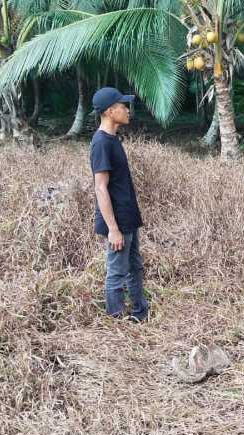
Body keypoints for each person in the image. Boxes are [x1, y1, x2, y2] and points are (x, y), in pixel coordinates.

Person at [89, 87, 149, 322]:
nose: (127, 110)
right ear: (110, 111)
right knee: (117, 272)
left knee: (135, 267)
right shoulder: (101, 143)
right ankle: (116, 321)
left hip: (127, 216)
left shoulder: (113, 139)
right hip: (118, 220)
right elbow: (100, 188)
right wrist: (113, 229)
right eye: (123, 106)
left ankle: (139, 312)